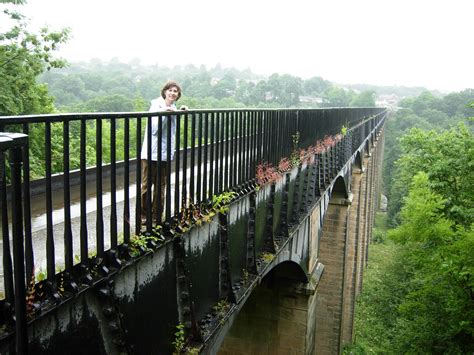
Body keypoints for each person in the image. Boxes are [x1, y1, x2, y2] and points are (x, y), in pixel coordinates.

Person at [140, 80, 186, 224]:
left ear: (178, 95)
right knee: (147, 185)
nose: (172, 93)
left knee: (161, 186)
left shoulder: (173, 106)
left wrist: (180, 111)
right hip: (151, 152)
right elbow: (154, 129)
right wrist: (165, 114)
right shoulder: (156, 105)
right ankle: (143, 216)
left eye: (175, 91)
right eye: (170, 90)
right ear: (165, 91)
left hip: (165, 153)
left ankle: (156, 216)